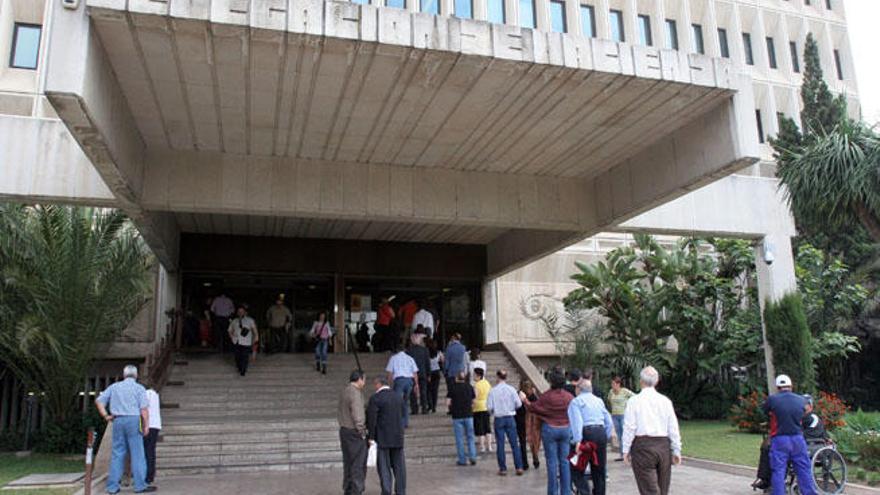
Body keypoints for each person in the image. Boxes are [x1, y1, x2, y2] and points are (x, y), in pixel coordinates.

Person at [95, 365, 155, 494]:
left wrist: (106, 416)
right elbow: (144, 410)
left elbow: (99, 401)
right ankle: (140, 486)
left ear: (124, 375)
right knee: (137, 454)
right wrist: (146, 425)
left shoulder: (114, 387)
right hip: (134, 420)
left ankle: (112, 487)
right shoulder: (139, 388)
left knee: (117, 453)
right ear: (136, 375)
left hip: (118, 420)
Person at [622, 366, 682, 495]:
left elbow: (629, 427)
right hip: (663, 446)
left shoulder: (634, 401)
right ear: (657, 381)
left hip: (643, 446)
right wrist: (676, 449)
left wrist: (625, 449)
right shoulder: (665, 401)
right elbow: (673, 427)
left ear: (641, 381)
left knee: (649, 489)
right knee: (662, 488)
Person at [753, 393, 828, 491]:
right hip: (798, 444)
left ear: (810, 406)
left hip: (810, 445)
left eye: (804, 405)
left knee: (777, 452)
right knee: (766, 448)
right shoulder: (799, 417)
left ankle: (770, 482)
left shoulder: (811, 417)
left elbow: (806, 433)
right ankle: (765, 479)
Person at [761, 375, 818, 495]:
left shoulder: (772, 399)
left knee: (778, 470)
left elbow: (765, 411)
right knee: (803, 469)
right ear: (791, 386)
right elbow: (806, 411)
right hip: (797, 438)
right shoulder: (801, 400)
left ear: (778, 387)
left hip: (780, 439)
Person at [522, 371, 573, 495]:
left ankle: (553, 492)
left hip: (550, 429)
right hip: (566, 429)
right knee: (565, 461)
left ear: (551, 382)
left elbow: (533, 408)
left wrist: (525, 400)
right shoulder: (569, 397)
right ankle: (566, 492)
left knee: (551, 462)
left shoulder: (546, 396)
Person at [568, 380, 614, 495]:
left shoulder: (576, 402)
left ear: (578, 389)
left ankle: (585, 492)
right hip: (600, 433)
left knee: (576, 468)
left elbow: (577, 422)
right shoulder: (599, 401)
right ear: (591, 389)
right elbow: (608, 421)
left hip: (586, 434)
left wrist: (578, 440)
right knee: (599, 469)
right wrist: (605, 435)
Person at [367, 375, 407, 495]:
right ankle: (401, 491)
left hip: (383, 437)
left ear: (378, 384)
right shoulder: (398, 397)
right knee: (399, 467)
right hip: (398, 437)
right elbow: (404, 414)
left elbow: (372, 420)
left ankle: (386, 490)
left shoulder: (375, 398)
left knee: (384, 467)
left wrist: (371, 437)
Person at [487, 369, 525, 476]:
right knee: (514, 444)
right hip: (510, 417)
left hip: (499, 418)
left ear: (498, 377)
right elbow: (519, 404)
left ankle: (503, 468)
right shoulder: (511, 389)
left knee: (500, 444)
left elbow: (489, 407)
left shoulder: (493, 391)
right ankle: (519, 467)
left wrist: (494, 411)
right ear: (506, 377)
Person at [339, 370, 368, 495]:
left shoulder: (345, 391)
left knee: (348, 462)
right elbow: (358, 414)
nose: (365, 382)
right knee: (358, 463)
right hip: (354, 432)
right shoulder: (355, 393)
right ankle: (356, 490)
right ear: (359, 379)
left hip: (344, 430)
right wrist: (362, 431)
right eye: (364, 379)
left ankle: (348, 488)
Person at [447, 370, 478, 466]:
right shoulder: (469, 387)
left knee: (459, 438)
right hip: (468, 415)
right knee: (470, 437)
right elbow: (474, 401)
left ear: (456, 378)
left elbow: (448, 402)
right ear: (464, 378)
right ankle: (472, 456)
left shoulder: (452, 388)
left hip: (457, 416)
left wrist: (451, 408)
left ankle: (462, 459)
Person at [386, 344, 420, 428]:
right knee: (405, 402)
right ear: (404, 350)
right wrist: (416, 384)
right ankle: (405, 422)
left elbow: (390, 373)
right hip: (409, 381)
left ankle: (398, 421)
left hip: (399, 381)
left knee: (397, 401)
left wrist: (390, 384)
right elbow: (415, 373)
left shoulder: (393, 358)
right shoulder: (410, 358)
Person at [515, 379, 541, 471]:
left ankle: (524, 463)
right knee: (533, 441)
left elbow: (516, 407)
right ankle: (535, 459)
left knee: (522, 442)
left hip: (521, 421)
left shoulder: (518, 394)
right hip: (532, 421)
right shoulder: (533, 395)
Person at [608, 375, 635, 461]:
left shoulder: (624, 391)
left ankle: (629, 453)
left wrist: (628, 405)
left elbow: (635, 396)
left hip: (623, 415)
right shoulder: (611, 392)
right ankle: (622, 454)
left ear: (618, 384)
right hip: (615, 415)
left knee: (625, 434)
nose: (612, 385)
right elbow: (609, 400)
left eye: (614, 384)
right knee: (619, 435)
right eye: (612, 384)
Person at [228, 303, 258, 376]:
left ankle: (243, 370)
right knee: (237, 356)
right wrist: (232, 337)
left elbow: (254, 330)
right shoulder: (234, 321)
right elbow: (229, 330)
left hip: (246, 342)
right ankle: (239, 367)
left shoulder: (250, 320)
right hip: (236, 341)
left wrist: (256, 339)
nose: (240, 313)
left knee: (245, 356)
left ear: (245, 312)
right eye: (239, 312)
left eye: (242, 311)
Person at [143, 381, 162, 486]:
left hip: (147, 425)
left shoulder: (146, 394)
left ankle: (147, 475)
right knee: (151, 451)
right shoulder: (155, 394)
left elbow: (143, 408)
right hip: (156, 425)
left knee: (146, 451)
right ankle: (150, 475)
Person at [406, 337, 430, 415]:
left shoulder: (409, 351)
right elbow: (427, 363)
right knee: (423, 391)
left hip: (412, 373)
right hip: (423, 373)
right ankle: (424, 408)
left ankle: (414, 409)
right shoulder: (425, 350)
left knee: (413, 392)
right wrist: (428, 373)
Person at [472, 368, 493, 453]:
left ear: (478, 376)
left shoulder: (476, 385)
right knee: (487, 427)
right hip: (486, 406)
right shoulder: (487, 383)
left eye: (474, 374)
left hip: (478, 408)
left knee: (480, 428)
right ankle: (490, 446)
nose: (473, 376)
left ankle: (482, 446)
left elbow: (475, 397)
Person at [426, 337, 444, 413]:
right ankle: (434, 407)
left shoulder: (426, 353)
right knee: (435, 390)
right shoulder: (439, 353)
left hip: (429, 372)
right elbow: (443, 360)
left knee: (428, 390)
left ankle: (430, 405)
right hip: (437, 372)